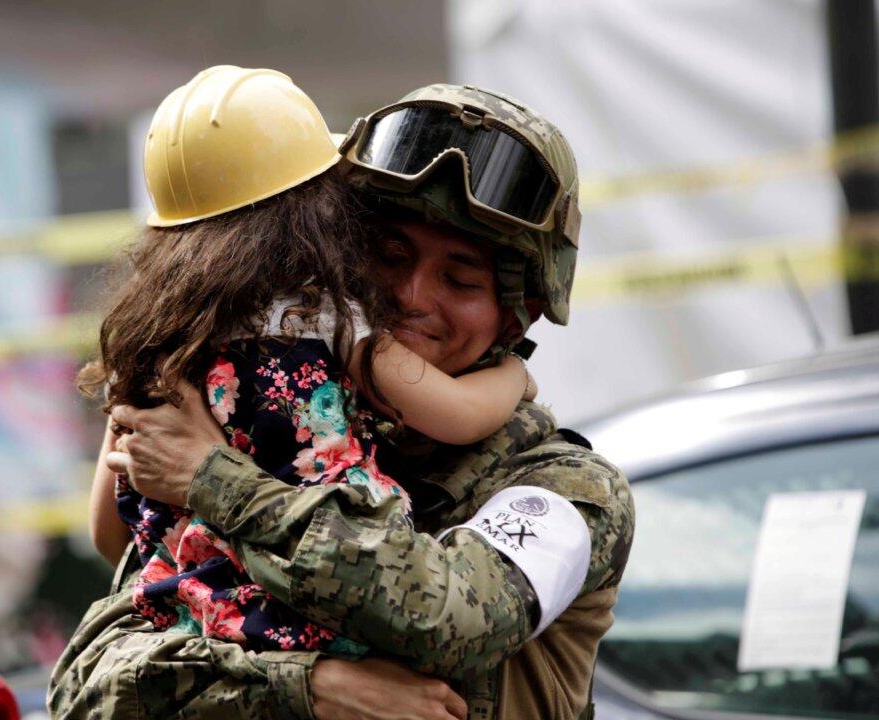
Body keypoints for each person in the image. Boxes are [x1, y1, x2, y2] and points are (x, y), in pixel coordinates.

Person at [48, 83, 634, 720]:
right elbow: (89, 682)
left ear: (518, 318)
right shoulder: (265, 426)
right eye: (388, 255)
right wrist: (308, 689)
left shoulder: (566, 489)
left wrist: (218, 484)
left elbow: (453, 620)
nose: (412, 295)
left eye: (461, 279)